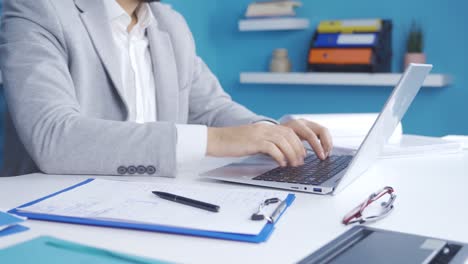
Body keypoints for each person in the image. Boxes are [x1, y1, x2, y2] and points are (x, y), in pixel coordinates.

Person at [0, 0, 332, 177]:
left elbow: (210, 108)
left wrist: (270, 133)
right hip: (54, 212)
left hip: (155, 199)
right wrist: (214, 140)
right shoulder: (37, 9)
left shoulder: (169, 23)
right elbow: (53, 136)